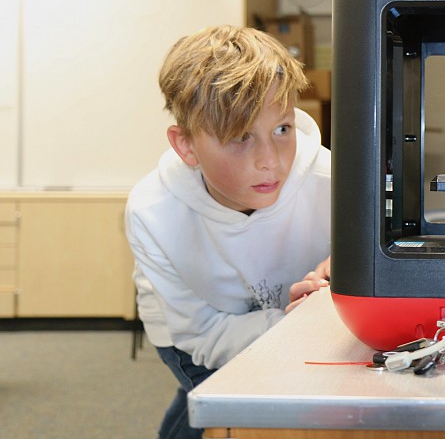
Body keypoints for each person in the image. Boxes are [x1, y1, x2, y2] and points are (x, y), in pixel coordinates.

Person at [125, 26, 331, 439]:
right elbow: (202, 334)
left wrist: (342, 269)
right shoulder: (153, 212)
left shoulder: (331, 178)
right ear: (186, 147)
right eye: (240, 137)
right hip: (195, 334)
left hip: (302, 319)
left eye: (282, 129)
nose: (270, 161)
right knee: (218, 410)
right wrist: (294, 322)